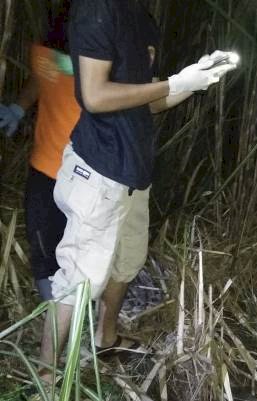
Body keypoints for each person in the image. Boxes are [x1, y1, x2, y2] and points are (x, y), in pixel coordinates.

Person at [37, 0, 238, 382]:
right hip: (99, 170)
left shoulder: (141, 17)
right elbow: (95, 96)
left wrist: (194, 80)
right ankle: (46, 376)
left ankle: (105, 338)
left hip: (133, 174)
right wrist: (173, 83)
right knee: (79, 280)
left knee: (127, 261)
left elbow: (150, 101)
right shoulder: (98, 9)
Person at [0, 0, 76, 300]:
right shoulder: (50, 56)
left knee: (58, 253)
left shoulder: (56, 57)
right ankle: (57, 321)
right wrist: (19, 107)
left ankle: (64, 317)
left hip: (82, 176)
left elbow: (53, 71)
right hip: (48, 170)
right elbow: (45, 76)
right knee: (48, 251)